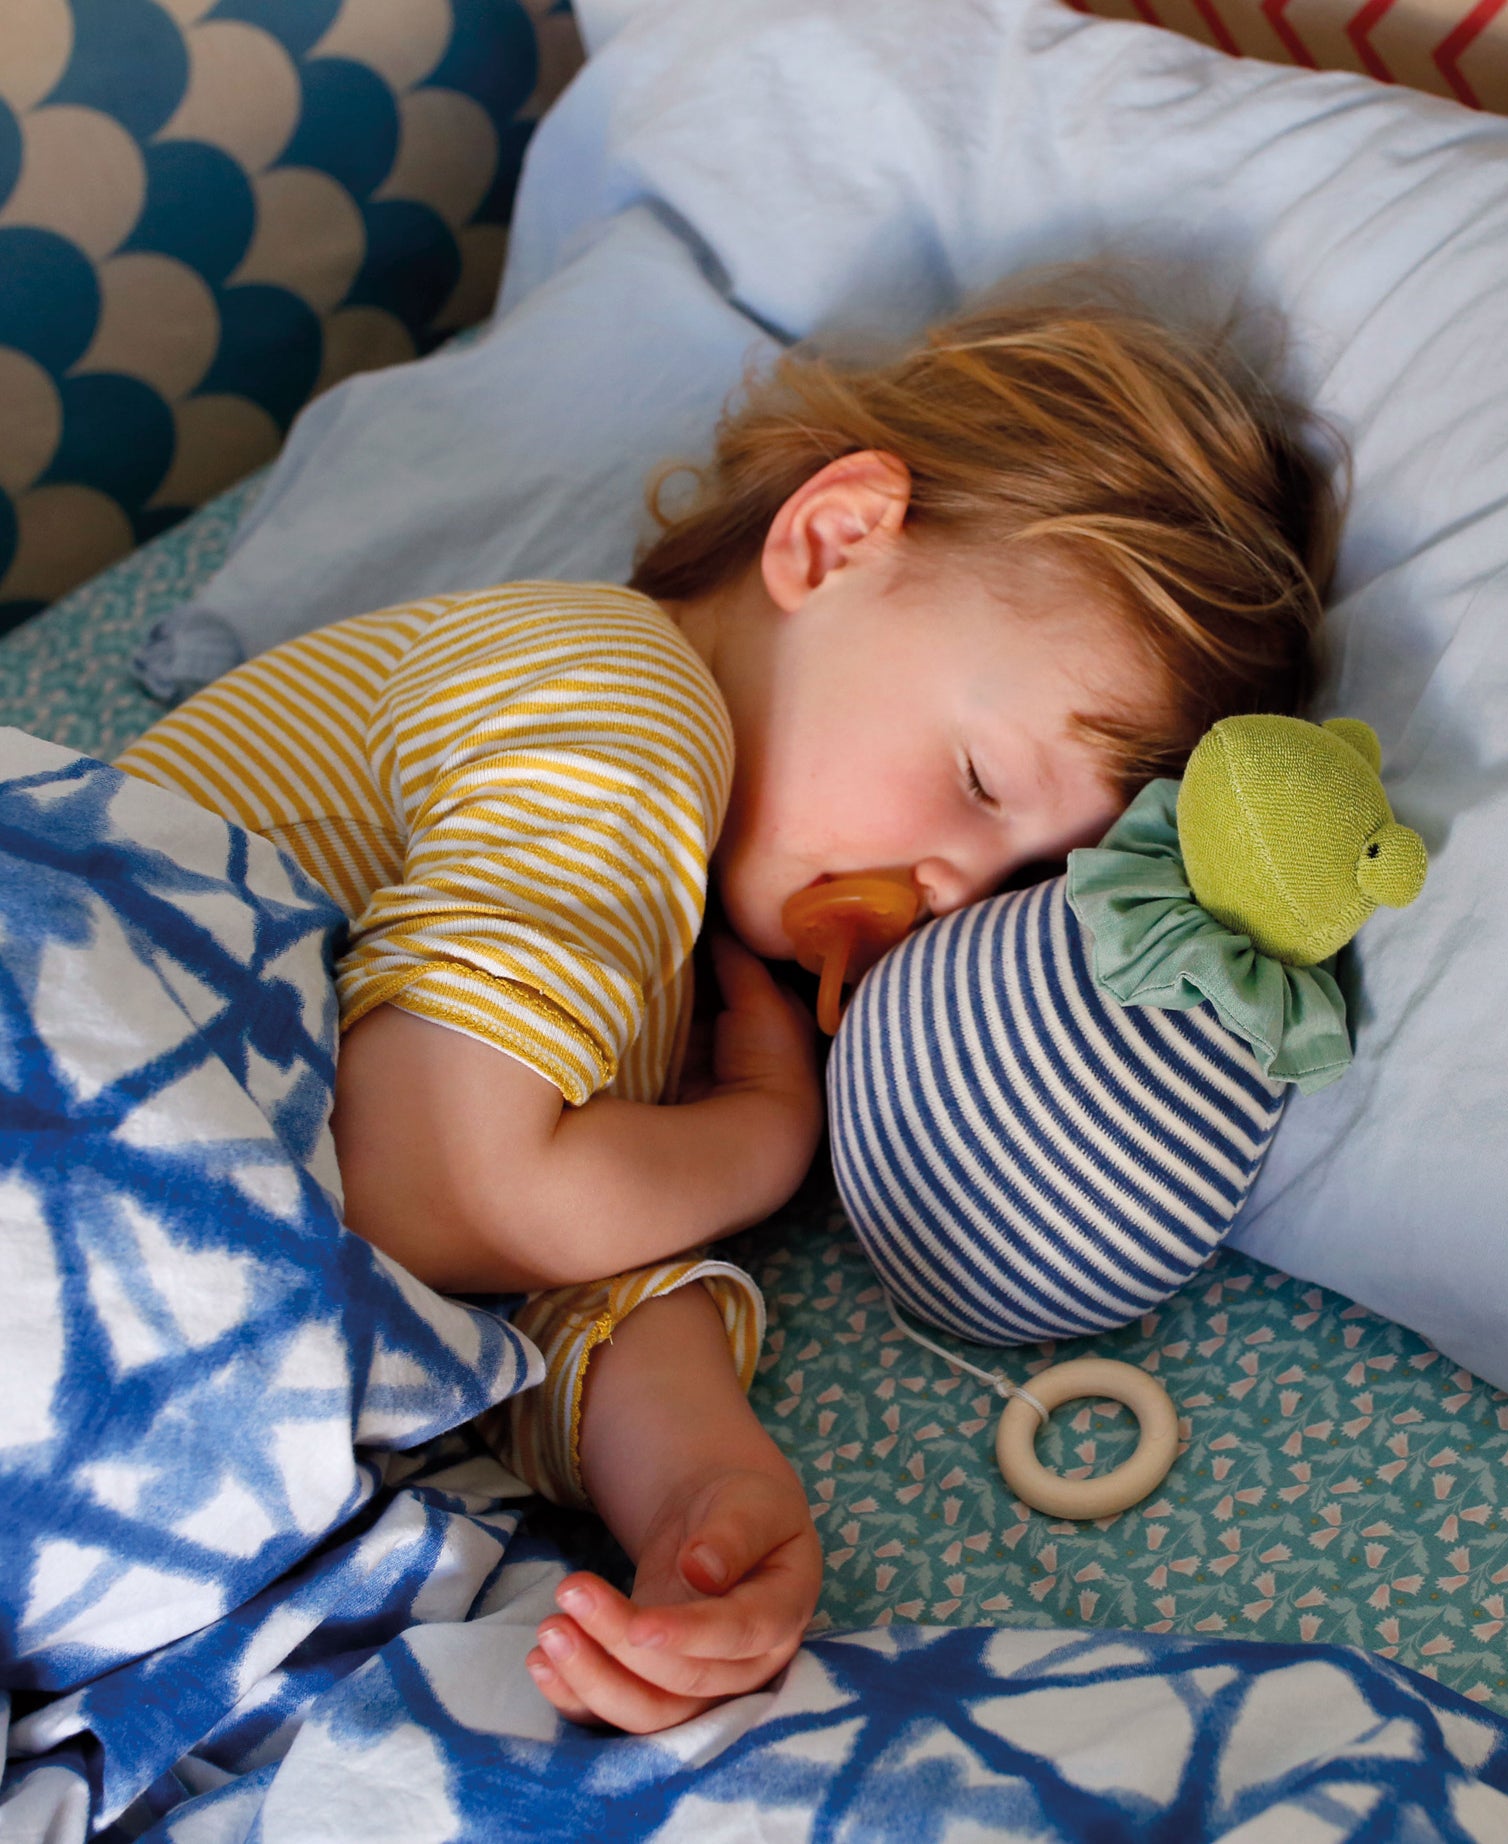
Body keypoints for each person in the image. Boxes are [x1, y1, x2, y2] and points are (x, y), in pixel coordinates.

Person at [115, 275, 1336, 1734]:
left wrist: (703, 1492)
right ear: (832, 542)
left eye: (1030, 873)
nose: (955, 889)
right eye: (979, 785)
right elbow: (438, 1186)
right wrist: (759, 1141)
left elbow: (539, 1275)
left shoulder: (678, 977)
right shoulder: (613, 707)